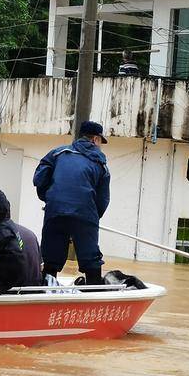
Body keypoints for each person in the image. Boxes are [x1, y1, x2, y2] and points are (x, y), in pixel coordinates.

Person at [33, 120, 110, 285]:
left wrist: (50, 199)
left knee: (51, 255)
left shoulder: (57, 154)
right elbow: (102, 200)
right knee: (90, 257)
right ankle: (94, 291)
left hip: (55, 209)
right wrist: (93, 218)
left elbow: (39, 179)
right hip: (85, 212)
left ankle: (46, 289)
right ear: (95, 139)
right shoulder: (100, 162)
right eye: (100, 142)